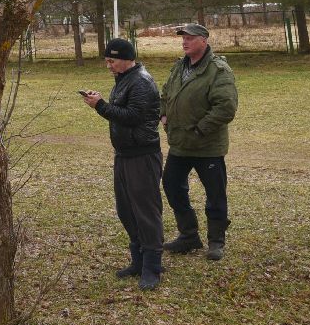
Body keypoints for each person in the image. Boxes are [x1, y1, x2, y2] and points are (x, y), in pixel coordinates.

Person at [82, 37, 164, 291]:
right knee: (126, 209)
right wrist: (102, 104)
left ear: (127, 58)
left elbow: (133, 117)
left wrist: (100, 106)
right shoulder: (123, 80)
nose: (108, 65)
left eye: (112, 60)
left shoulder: (141, 82)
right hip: (125, 154)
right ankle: (138, 260)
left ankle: (152, 266)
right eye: (106, 60)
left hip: (142, 156)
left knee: (146, 211)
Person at [160, 22, 238, 261]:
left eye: (190, 38)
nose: (185, 41)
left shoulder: (218, 70)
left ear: (204, 40)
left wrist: (200, 130)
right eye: (183, 37)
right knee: (172, 185)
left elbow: (226, 107)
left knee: (215, 194)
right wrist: (163, 113)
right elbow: (166, 93)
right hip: (180, 144)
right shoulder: (179, 67)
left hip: (207, 146)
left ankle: (216, 241)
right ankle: (189, 235)